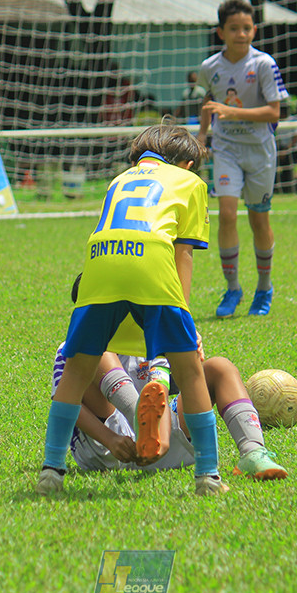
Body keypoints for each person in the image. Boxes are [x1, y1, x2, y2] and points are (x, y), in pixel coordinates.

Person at [36, 124, 228, 497]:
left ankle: (51, 469)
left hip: (99, 262)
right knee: (189, 371)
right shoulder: (190, 183)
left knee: (77, 370)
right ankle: (208, 475)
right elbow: (182, 254)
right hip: (150, 262)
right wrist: (184, 318)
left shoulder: (119, 179)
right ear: (188, 163)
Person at [50, 278, 288, 479]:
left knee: (219, 368)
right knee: (95, 348)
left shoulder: (148, 341)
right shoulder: (69, 348)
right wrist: (111, 439)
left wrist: (186, 350)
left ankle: (253, 451)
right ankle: (138, 416)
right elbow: (66, 403)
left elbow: (171, 386)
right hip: (105, 448)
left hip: (161, 446)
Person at [197, 0, 288, 318]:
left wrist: (231, 111)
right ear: (221, 32)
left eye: (247, 28)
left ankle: (264, 287)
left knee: (258, 219)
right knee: (226, 213)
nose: (241, 34)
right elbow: (208, 102)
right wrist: (202, 136)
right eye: (234, 28)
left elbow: (275, 112)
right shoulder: (210, 68)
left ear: (254, 30)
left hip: (260, 151)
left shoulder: (263, 64)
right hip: (226, 149)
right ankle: (232, 287)